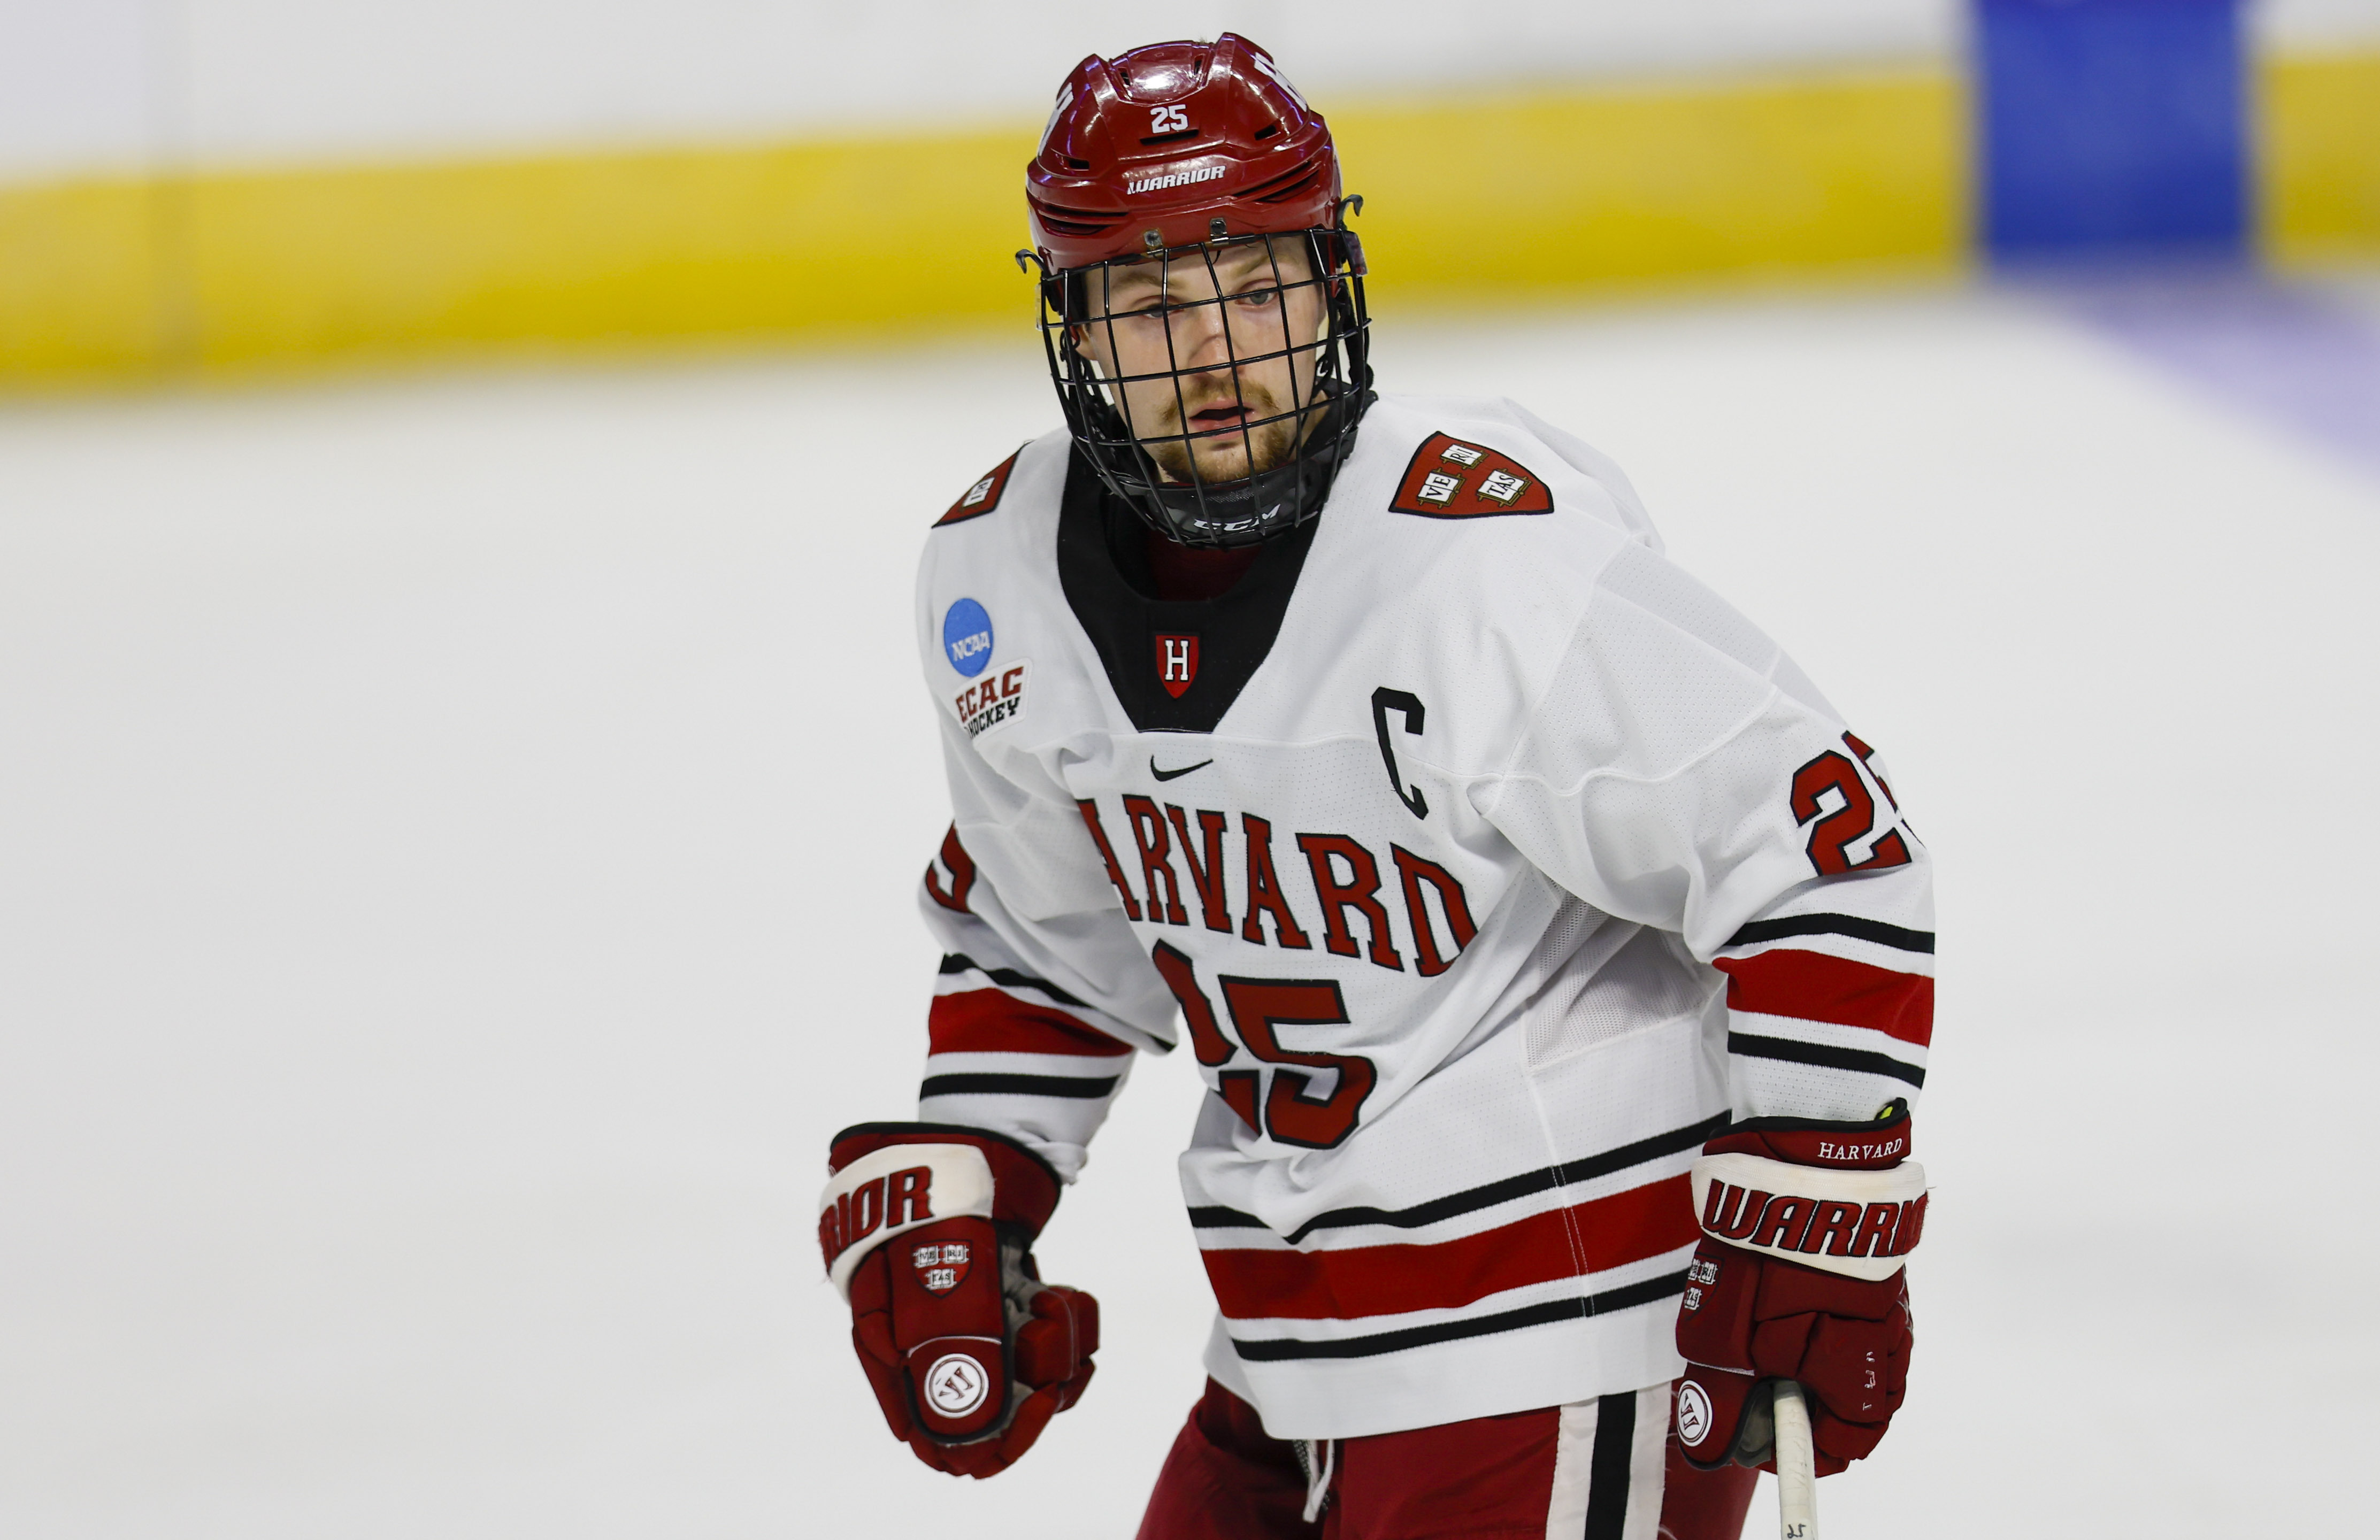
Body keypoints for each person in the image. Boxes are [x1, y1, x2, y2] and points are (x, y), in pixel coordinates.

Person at [815, 34, 1934, 1539]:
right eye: (1152, 301)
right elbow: (1046, 931)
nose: (1216, 350)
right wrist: (980, 1173)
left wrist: (1815, 1203)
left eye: (1259, 287)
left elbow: (1820, 847)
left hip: (1563, 1337)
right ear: (1071, 323)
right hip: (1290, 1347)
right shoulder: (994, 577)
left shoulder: (1479, 564)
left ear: (1331, 286)